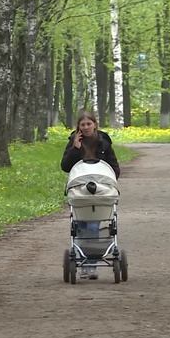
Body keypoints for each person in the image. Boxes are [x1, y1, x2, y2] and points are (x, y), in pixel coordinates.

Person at [61, 112, 120, 279]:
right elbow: (65, 167)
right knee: (81, 227)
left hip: (100, 189)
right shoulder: (73, 142)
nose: (86, 127)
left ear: (95, 124)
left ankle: (90, 265)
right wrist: (75, 149)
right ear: (78, 127)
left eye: (89, 124)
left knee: (92, 226)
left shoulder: (104, 143)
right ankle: (85, 263)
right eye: (82, 125)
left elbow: (114, 168)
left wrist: (108, 181)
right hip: (81, 190)